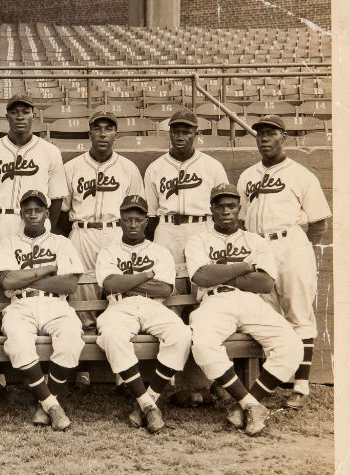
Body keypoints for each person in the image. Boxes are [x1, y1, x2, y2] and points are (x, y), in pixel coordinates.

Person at [186, 184, 303, 436]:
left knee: (292, 346)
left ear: (240, 209)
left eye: (231, 206)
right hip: (214, 302)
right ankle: (250, 404)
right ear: (211, 210)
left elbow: (264, 282)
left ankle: (248, 403)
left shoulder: (256, 241)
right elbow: (201, 276)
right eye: (220, 206)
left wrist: (220, 272)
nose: (226, 211)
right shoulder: (198, 239)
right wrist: (247, 265)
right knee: (203, 345)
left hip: (250, 302)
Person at [237, 115, 331, 409]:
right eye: (260, 133)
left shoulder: (301, 174)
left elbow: (318, 224)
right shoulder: (247, 175)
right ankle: (272, 380)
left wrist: (300, 249)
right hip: (258, 246)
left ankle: (300, 385)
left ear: (283, 138)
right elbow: (240, 219)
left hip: (290, 244)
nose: (264, 138)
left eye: (271, 133)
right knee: (266, 314)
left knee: (299, 313)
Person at [0, 94, 69, 399]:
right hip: (1, 216)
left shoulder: (50, 152)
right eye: (14, 111)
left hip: (35, 220)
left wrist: (48, 230)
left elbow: (56, 199)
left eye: (26, 111)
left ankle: (39, 365)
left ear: (34, 115)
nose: (20, 116)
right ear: (7, 117)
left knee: (37, 286)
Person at [61, 108, 144, 390]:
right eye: (98, 128)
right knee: (80, 300)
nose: (103, 133)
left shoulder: (128, 168)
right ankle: (82, 366)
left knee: (117, 297)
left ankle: (120, 369)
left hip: (114, 233)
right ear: (90, 133)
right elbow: (61, 212)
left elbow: (140, 211)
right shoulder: (71, 167)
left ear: (116, 134)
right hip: (81, 232)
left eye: (109, 128)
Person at [95, 195, 191, 433]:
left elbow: (164, 288)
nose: (133, 224)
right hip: (119, 306)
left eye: (138, 219)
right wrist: (146, 276)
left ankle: (146, 402)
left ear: (146, 221)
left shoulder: (160, 251)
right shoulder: (108, 251)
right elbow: (110, 285)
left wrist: (126, 282)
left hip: (154, 306)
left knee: (181, 334)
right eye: (128, 219)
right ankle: (149, 405)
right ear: (120, 222)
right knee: (112, 337)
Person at [0, 190, 84, 431]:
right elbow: (7, 282)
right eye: (28, 210)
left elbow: (69, 284)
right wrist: (47, 269)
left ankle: (43, 403)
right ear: (21, 214)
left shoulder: (62, 242)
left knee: (71, 341)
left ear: (47, 213)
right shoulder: (8, 243)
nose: (33, 214)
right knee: (17, 344)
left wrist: (23, 278)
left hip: (56, 303)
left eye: (38, 210)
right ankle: (52, 406)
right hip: (21, 305)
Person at [143, 108, 228, 281]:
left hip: (202, 226)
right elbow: (151, 214)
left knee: (204, 281)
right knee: (166, 280)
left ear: (195, 134)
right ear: (170, 134)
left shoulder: (212, 166)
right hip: (167, 229)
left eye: (186, 132)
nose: (180, 136)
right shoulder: (155, 168)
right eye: (175, 132)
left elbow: (224, 205)